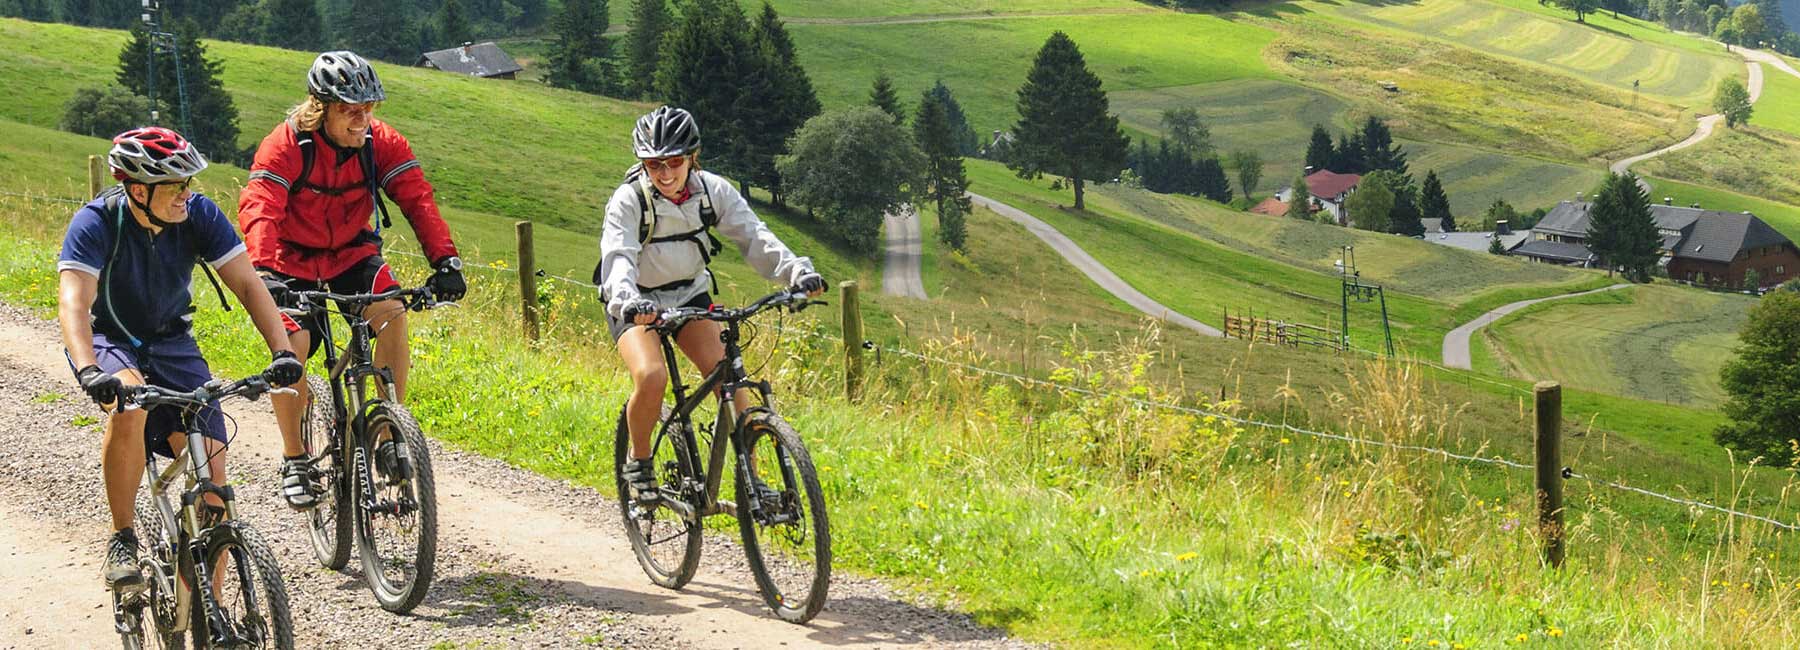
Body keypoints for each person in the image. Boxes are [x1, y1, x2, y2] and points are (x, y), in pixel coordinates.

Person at [57, 127, 304, 591]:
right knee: (130, 406)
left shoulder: (198, 215)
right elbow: (73, 301)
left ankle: (208, 617)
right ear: (137, 190)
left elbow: (250, 285)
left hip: (173, 342)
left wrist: (283, 351)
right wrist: (90, 368)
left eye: (188, 183)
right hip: (108, 338)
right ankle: (123, 537)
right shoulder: (95, 223)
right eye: (175, 186)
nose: (186, 194)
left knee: (214, 487)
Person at [237, 50, 466, 510]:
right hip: (288, 259)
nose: (362, 120)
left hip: (351, 253)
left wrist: (446, 261)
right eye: (349, 111)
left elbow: (417, 199)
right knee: (292, 348)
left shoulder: (382, 143)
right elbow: (260, 206)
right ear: (320, 108)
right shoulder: (285, 145)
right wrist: (263, 271)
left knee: (392, 314)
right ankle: (295, 458)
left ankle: (387, 430)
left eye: (368, 109)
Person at [596, 106, 826, 500]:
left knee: (729, 379)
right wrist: (629, 301)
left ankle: (753, 484)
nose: (665, 174)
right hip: (636, 300)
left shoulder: (712, 192)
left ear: (691, 158)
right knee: (651, 376)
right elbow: (617, 256)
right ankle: (639, 462)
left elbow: (755, 237)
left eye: (673, 162)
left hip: (689, 295)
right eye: (654, 165)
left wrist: (796, 274)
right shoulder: (629, 200)